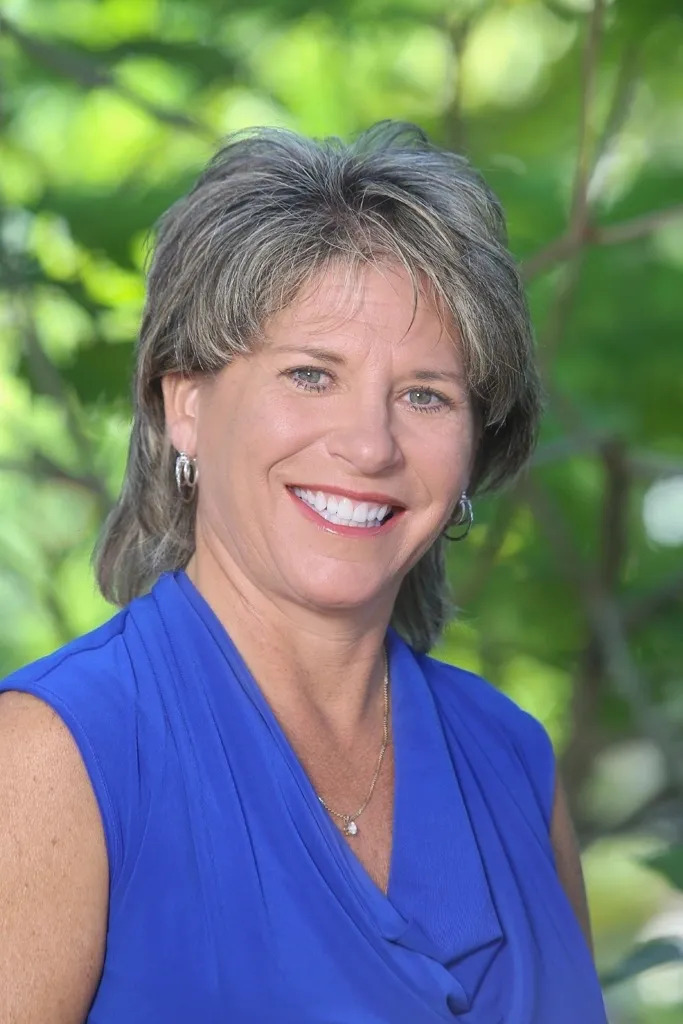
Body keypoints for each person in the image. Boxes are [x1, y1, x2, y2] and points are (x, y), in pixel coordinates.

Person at [0, 122, 607, 1023]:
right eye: (310, 375)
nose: (368, 445)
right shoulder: (51, 758)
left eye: (424, 395)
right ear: (188, 407)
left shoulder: (513, 759)